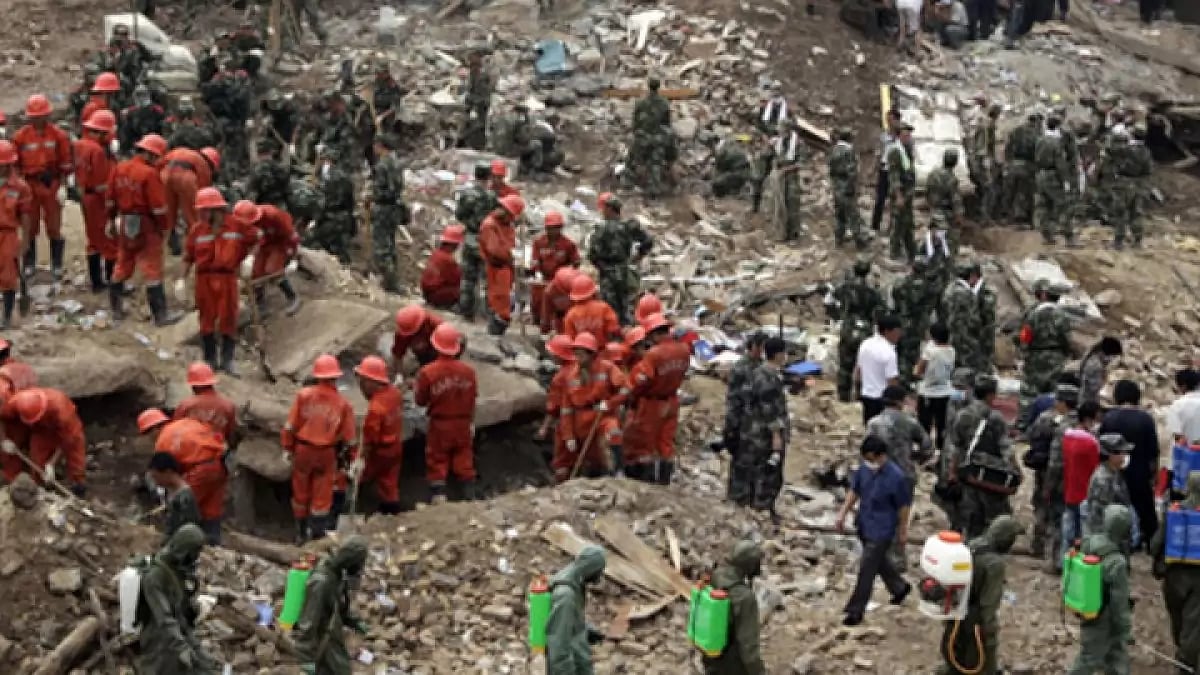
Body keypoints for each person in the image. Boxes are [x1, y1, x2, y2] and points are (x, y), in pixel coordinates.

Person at [107, 133, 183, 326]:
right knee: (152, 268)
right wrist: (165, 228)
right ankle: (160, 315)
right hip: (146, 224)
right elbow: (158, 207)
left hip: (123, 221)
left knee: (123, 261)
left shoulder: (119, 168)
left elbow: (110, 198)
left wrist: (111, 220)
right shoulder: (149, 174)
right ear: (150, 155)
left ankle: (115, 310)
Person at [836, 435, 913, 626]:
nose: (868, 463)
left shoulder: (897, 478)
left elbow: (904, 507)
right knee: (878, 562)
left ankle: (856, 610)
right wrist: (842, 513)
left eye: (871, 459)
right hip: (864, 523)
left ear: (881, 456)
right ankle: (899, 587)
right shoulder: (864, 470)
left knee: (867, 568)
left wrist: (903, 530)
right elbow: (855, 491)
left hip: (882, 529)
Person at [282, 355, 357, 543]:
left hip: (303, 450)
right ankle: (316, 537)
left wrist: (288, 448)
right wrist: (353, 460)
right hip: (326, 453)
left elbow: (290, 426)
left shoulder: (303, 396)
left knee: (300, 493)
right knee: (322, 497)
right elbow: (349, 438)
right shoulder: (343, 404)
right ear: (336, 377)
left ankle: (300, 534)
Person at [937, 516, 1022, 675]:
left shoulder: (973, 544)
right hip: (974, 617)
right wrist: (989, 631)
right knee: (982, 662)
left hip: (957, 609)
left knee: (956, 653)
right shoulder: (995, 564)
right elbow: (989, 602)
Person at [183, 189, 253, 373]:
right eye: (201, 210)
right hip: (204, 278)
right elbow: (188, 256)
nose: (202, 214)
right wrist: (181, 280)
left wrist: (247, 259)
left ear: (217, 209)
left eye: (206, 210)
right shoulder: (197, 230)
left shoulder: (237, 226)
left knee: (229, 316)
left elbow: (255, 239)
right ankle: (210, 359)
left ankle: (228, 360)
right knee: (206, 318)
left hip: (227, 277)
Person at [866, 384, 932, 570]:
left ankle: (878, 557)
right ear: (901, 402)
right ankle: (897, 559)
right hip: (904, 475)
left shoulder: (874, 423)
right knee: (901, 518)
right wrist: (915, 459)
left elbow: (866, 452)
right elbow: (928, 446)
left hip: (880, 475)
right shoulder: (910, 422)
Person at [138, 408, 227, 544]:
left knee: (183, 506)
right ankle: (213, 540)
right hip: (219, 463)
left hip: (200, 470)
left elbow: (168, 473)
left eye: (148, 434)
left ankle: (179, 542)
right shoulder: (187, 423)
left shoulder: (163, 441)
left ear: (155, 428)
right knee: (211, 506)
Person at [135, 525, 216, 674]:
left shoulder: (176, 571)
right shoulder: (155, 577)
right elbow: (164, 619)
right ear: (184, 551)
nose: (196, 559)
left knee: (205, 666)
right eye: (193, 554)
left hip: (175, 631)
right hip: (158, 638)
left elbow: (179, 616)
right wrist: (182, 648)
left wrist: (196, 647)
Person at [946, 375, 1015, 539]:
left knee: (970, 515)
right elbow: (1006, 447)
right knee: (994, 517)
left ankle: (971, 548)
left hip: (968, 471)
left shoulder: (962, 415)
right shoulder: (996, 417)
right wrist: (1015, 470)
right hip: (992, 474)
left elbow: (955, 447)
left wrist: (952, 473)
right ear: (991, 395)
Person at [414, 324, 478, 502]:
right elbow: (473, 400)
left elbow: (420, 401)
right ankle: (470, 497)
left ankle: (439, 498)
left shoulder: (428, 373)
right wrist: (471, 422)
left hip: (440, 424)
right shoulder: (469, 372)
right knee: (464, 458)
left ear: (435, 346)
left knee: (437, 458)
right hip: (463, 423)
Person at [1066, 505, 1132, 675]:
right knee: (1090, 659)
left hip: (1090, 608)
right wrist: (1125, 629)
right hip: (1105, 616)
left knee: (1112, 656)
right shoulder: (1117, 562)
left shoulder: (1090, 542)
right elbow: (1119, 601)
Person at [626, 313, 690, 485]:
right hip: (672, 400)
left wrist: (631, 396)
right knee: (665, 444)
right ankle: (664, 483)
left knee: (645, 444)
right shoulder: (684, 350)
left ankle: (647, 484)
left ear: (654, 334)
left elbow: (642, 381)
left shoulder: (654, 354)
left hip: (652, 402)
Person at [13, 94, 72, 279]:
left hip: (51, 183)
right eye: (34, 116)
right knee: (29, 225)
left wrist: (64, 185)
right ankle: (30, 263)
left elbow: (65, 162)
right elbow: (14, 165)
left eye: (41, 116)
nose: (38, 119)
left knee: (54, 226)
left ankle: (57, 264)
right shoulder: (20, 137)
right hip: (29, 185)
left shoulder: (58, 135)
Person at [294, 537, 370, 675]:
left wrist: (353, 620)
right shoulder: (321, 581)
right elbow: (308, 620)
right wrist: (306, 657)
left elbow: (337, 604)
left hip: (331, 634)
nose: (360, 568)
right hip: (322, 639)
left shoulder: (336, 572)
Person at [1099, 379, 1160, 551]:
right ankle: (1150, 543)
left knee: (1116, 507)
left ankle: (1118, 538)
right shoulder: (1146, 419)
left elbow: (1101, 447)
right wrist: (1154, 475)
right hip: (1140, 474)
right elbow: (1153, 452)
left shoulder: (1109, 418)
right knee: (1146, 510)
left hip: (1115, 472)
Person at [558, 332, 627, 480]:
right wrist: (568, 435)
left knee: (613, 432)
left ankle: (619, 472)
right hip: (581, 423)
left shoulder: (607, 368)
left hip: (603, 416)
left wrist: (609, 404)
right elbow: (566, 410)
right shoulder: (570, 376)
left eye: (581, 354)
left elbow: (625, 390)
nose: (578, 358)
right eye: (576, 354)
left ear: (592, 354)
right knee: (590, 461)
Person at [1150, 472, 1200, 674]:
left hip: (1173, 578)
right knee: (1193, 624)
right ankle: (1186, 662)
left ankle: (1183, 653)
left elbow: (1155, 545)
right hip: (1198, 581)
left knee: (1177, 618)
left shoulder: (1175, 513)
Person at [0, 387, 86, 495]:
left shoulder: (61, 409)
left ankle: (78, 484)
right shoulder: (16, 402)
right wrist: (4, 440)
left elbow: (68, 440)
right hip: (41, 430)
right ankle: (41, 489)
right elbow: (2, 417)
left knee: (75, 452)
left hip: (66, 427)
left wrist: (51, 463)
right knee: (38, 462)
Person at [701, 540, 767, 675]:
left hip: (711, 656)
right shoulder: (744, 597)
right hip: (732, 666)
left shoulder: (716, 576)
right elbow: (748, 646)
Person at [742, 337, 790, 518]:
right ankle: (762, 509)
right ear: (778, 355)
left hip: (758, 432)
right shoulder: (766, 377)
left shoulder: (763, 373)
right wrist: (776, 435)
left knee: (764, 472)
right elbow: (769, 409)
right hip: (765, 434)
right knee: (769, 473)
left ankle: (762, 507)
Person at [350, 356, 403, 515]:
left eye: (363, 382)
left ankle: (348, 507)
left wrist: (359, 460)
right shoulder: (394, 394)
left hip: (380, 452)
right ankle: (392, 512)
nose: (361, 387)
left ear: (371, 382)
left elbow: (369, 440)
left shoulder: (376, 408)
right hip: (395, 447)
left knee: (355, 477)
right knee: (389, 484)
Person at [589, 193, 651, 325]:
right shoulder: (629, 226)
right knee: (628, 308)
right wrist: (638, 256)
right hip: (626, 272)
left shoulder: (601, 229)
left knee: (609, 311)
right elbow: (648, 241)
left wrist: (603, 268)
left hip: (607, 276)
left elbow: (592, 255)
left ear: (609, 209)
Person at [73, 111, 118, 293]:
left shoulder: (80, 145)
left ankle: (97, 283)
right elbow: (101, 183)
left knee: (93, 239)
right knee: (108, 239)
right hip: (98, 199)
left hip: (85, 196)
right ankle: (113, 281)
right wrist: (111, 205)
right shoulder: (98, 151)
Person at [1017, 279, 1072, 426]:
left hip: (1035, 356)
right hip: (1056, 357)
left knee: (1029, 392)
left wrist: (1023, 353)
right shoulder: (1062, 316)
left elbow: (1025, 336)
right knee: (1053, 392)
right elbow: (1067, 338)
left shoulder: (1033, 313)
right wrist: (1066, 354)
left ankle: (1024, 423)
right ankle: (1050, 423)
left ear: (1045, 295)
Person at [545, 545, 607, 675]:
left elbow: (570, 623)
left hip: (579, 661)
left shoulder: (575, 583)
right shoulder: (566, 595)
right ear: (591, 568)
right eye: (599, 571)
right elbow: (558, 642)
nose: (600, 575)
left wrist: (585, 630)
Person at [1056, 400, 1101, 568]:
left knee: (1067, 531)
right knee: (1083, 534)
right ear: (1090, 419)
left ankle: (1064, 562)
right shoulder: (1091, 443)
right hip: (1085, 493)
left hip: (1070, 490)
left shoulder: (1067, 437)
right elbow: (1095, 469)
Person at [833, 258, 884, 402]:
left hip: (849, 327)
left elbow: (834, 299)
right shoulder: (873, 292)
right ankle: (862, 396)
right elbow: (880, 311)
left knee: (845, 364)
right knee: (864, 365)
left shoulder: (845, 288)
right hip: (865, 329)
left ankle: (843, 396)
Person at [239, 200, 302, 316]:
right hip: (264, 244)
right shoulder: (242, 223)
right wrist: (249, 258)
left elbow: (292, 236)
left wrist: (294, 260)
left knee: (272, 270)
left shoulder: (274, 216)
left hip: (280, 243)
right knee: (255, 272)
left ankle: (293, 297)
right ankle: (261, 305)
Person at [725, 332, 766, 505]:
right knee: (741, 462)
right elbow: (734, 400)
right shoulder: (741, 368)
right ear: (754, 347)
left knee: (756, 464)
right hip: (743, 424)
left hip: (758, 425)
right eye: (761, 347)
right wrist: (731, 427)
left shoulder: (762, 367)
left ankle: (751, 497)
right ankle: (737, 497)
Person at [454, 164, 496, 320]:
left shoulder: (467, 194)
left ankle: (466, 310)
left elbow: (459, 215)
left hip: (471, 238)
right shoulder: (492, 196)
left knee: (468, 278)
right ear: (489, 177)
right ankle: (487, 314)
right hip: (487, 241)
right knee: (487, 280)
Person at [479, 194, 525, 335]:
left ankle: (498, 330)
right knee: (498, 302)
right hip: (495, 268)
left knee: (504, 300)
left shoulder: (506, 225)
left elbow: (509, 242)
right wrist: (511, 255)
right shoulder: (490, 225)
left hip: (504, 268)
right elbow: (494, 250)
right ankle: (494, 332)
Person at [371, 135, 410, 293]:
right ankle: (393, 278)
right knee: (391, 244)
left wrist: (371, 197)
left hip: (384, 208)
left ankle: (390, 282)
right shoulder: (398, 163)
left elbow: (381, 190)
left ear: (380, 146)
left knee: (382, 246)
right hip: (395, 208)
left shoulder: (382, 165)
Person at [0, 141, 32, 329]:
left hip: (8, 234)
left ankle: (6, 316)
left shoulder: (20, 187)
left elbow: (26, 215)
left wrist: (26, 240)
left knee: (8, 276)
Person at [530, 211, 581, 326]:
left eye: (555, 228)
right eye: (550, 228)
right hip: (543, 279)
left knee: (560, 304)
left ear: (560, 228)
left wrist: (568, 274)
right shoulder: (539, 242)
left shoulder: (568, 244)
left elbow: (576, 262)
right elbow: (534, 260)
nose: (552, 231)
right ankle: (541, 324)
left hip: (562, 282)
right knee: (538, 300)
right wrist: (536, 271)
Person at [893, 256, 937, 387]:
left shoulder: (900, 282)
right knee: (911, 351)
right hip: (916, 323)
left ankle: (901, 377)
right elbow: (930, 305)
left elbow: (894, 297)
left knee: (900, 350)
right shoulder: (927, 286)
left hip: (900, 320)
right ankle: (907, 380)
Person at [627, 77, 674, 198]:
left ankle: (627, 183)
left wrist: (638, 134)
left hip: (642, 139)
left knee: (631, 160)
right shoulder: (664, 103)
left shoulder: (641, 102)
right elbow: (666, 124)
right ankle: (654, 189)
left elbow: (635, 123)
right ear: (658, 87)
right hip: (657, 139)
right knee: (655, 164)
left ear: (648, 86)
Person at [1034, 114, 1076, 246]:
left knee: (1044, 205)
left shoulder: (1040, 139)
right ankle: (1069, 237)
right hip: (1053, 176)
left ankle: (1047, 235)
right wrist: (1066, 180)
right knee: (1063, 205)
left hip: (1041, 174)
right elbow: (1060, 163)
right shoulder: (1056, 143)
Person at [174, 362, 237, 445]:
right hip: (215, 452)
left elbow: (174, 432)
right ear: (212, 383)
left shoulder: (185, 405)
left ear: (193, 386)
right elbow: (230, 435)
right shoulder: (229, 406)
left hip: (189, 451)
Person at [855, 314, 902, 424]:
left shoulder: (865, 344)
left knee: (870, 429)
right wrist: (898, 402)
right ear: (887, 331)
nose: (899, 335)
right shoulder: (889, 352)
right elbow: (892, 381)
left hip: (866, 396)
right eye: (897, 331)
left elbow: (858, 371)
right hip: (883, 400)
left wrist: (857, 392)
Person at [146, 451, 203, 543]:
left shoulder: (184, 498)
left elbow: (189, 530)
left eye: (156, 477)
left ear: (168, 472)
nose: (156, 482)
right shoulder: (170, 491)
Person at [1085, 434, 1133, 540]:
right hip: (1105, 537)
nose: (1125, 456)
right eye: (1122, 452)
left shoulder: (1114, 472)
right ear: (1111, 455)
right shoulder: (1103, 479)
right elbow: (1102, 515)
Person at [916, 323, 956, 451]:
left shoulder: (930, 351)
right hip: (944, 392)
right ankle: (941, 451)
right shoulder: (951, 351)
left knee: (924, 425)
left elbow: (918, 371)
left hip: (928, 392)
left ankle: (925, 450)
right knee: (941, 425)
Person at [1113, 126, 1153, 250]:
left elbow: (1112, 152)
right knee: (1137, 212)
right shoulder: (1146, 151)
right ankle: (1137, 240)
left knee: (1121, 211)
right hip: (1140, 184)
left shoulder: (1126, 150)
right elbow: (1148, 170)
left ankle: (1119, 241)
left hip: (1124, 183)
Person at [941, 261, 983, 373]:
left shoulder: (949, 288)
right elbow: (973, 319)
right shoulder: (966, 294)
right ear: (972, 276)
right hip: (963, 336)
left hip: (949, 333)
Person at [924, 148, 964, 268]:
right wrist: (959, 216)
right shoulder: (951, 179)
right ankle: (948, 266)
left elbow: (927, 192)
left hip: (934, 211)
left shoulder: (933, 173)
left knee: (933, 240)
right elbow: (955, 200)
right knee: (950, 242)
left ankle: (931, 263)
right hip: (947, 214)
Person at [828, 127, 866, 248]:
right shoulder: (849, 151)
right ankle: (859, 240)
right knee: (853, 215)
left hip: (837, 186)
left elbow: (831, 170)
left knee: (840, 215)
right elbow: (852, 172)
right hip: (846, 187)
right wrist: (851, 188)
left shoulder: (834, 149)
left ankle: (839, 239)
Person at [1004, 109, 1041, 225]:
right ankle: (1027, 220)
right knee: (1027, 193)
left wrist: (1008, 163)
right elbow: (1037, 152)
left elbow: (1008, 148)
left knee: (1011, 192)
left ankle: (1008, 218)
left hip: (1014, 164)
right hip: (1027, 166)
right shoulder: (1036, 135)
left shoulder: (1016, 131)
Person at [887, 124, 917, 261]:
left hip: (908, 193)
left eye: (909, 135)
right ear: (899, 136)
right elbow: (894, 175)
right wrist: (898, 195)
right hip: (901, 193)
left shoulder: (906, 149)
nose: (908, 138)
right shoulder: (895, 151)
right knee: (899, 222)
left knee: (907, 222)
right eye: (905, 135)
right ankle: (894, 251)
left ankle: (911, 250)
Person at [871, 109, 903, 232]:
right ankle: (875, 226)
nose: (889, 122)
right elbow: (879, 152)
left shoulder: (902, 136)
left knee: (895, 200)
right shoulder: (884, 135)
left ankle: (893, 227)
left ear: (897, 120)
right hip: (884, 169)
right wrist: (874, 168)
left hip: (897, 170)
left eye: (891, 120)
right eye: (887, 120)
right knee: (880, 198)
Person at [563, 275, 621, 342]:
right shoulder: (603, 307)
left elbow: (570, 339)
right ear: (593, 292)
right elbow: (613, 330)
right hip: (604, 349)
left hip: (583, 351)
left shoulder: (570, 314)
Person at [422, 224, 464, 309]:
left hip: (426, 293)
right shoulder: (448, 260)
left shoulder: (435, 254)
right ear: (454, 244)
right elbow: (457, 280)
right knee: (464, 291)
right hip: (436, 296)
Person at [460, 50, 494, 150]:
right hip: (477, 102)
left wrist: (471, 102)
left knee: (478, 125)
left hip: (480, 103)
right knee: (474, 123)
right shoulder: (475, 72)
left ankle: (476, 145)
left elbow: (481, 92)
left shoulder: (481, 74)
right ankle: (470, 142)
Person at [1078, 336, 1122, 406]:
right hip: (1087, 405)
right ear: (1107, 354)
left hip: (1086, 401)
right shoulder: (1096, 366)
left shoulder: (1093, 359)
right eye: (1114, 356)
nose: (1113, 360)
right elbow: (1095, 388)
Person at [712, 133, 753, 198]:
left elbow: (723, 162)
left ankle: (731, 191)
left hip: (740, 174)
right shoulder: (741, 151)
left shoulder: (738, 151)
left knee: (719, 180)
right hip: (739, 172)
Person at [541, 267, 580, 335]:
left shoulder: (582, 285)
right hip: (562, 320)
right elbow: (546, 313)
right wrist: (545, 330)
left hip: (580, 319)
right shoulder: (550, 292)